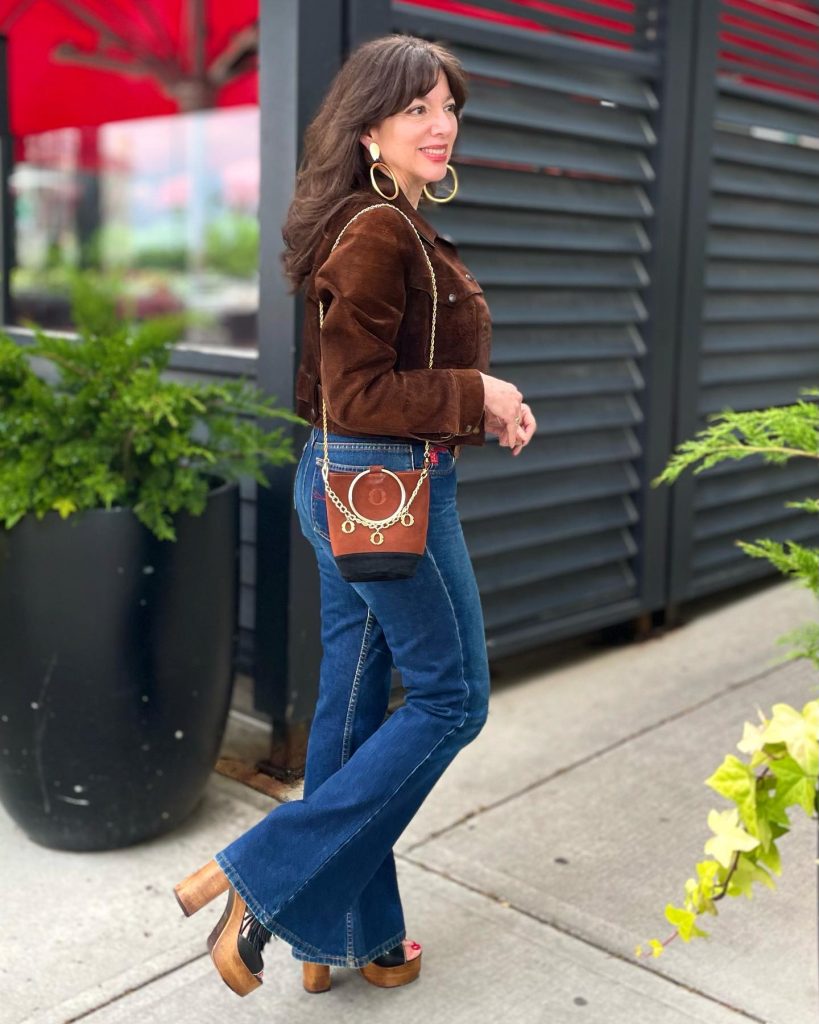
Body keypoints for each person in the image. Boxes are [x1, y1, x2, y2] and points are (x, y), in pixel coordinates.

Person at [172, 32, 536, 998]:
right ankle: (264, 875)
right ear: (369, 125)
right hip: (384, 492)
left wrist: (474, 399)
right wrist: (478, 394)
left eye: (447, 105)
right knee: (451, 700)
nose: (440, 123)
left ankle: (348, 933)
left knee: (347, 713)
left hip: (357, 485)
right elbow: (357, 392)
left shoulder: (386, 224)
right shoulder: (377, 230)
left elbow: (337, 395)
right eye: (415, 107)